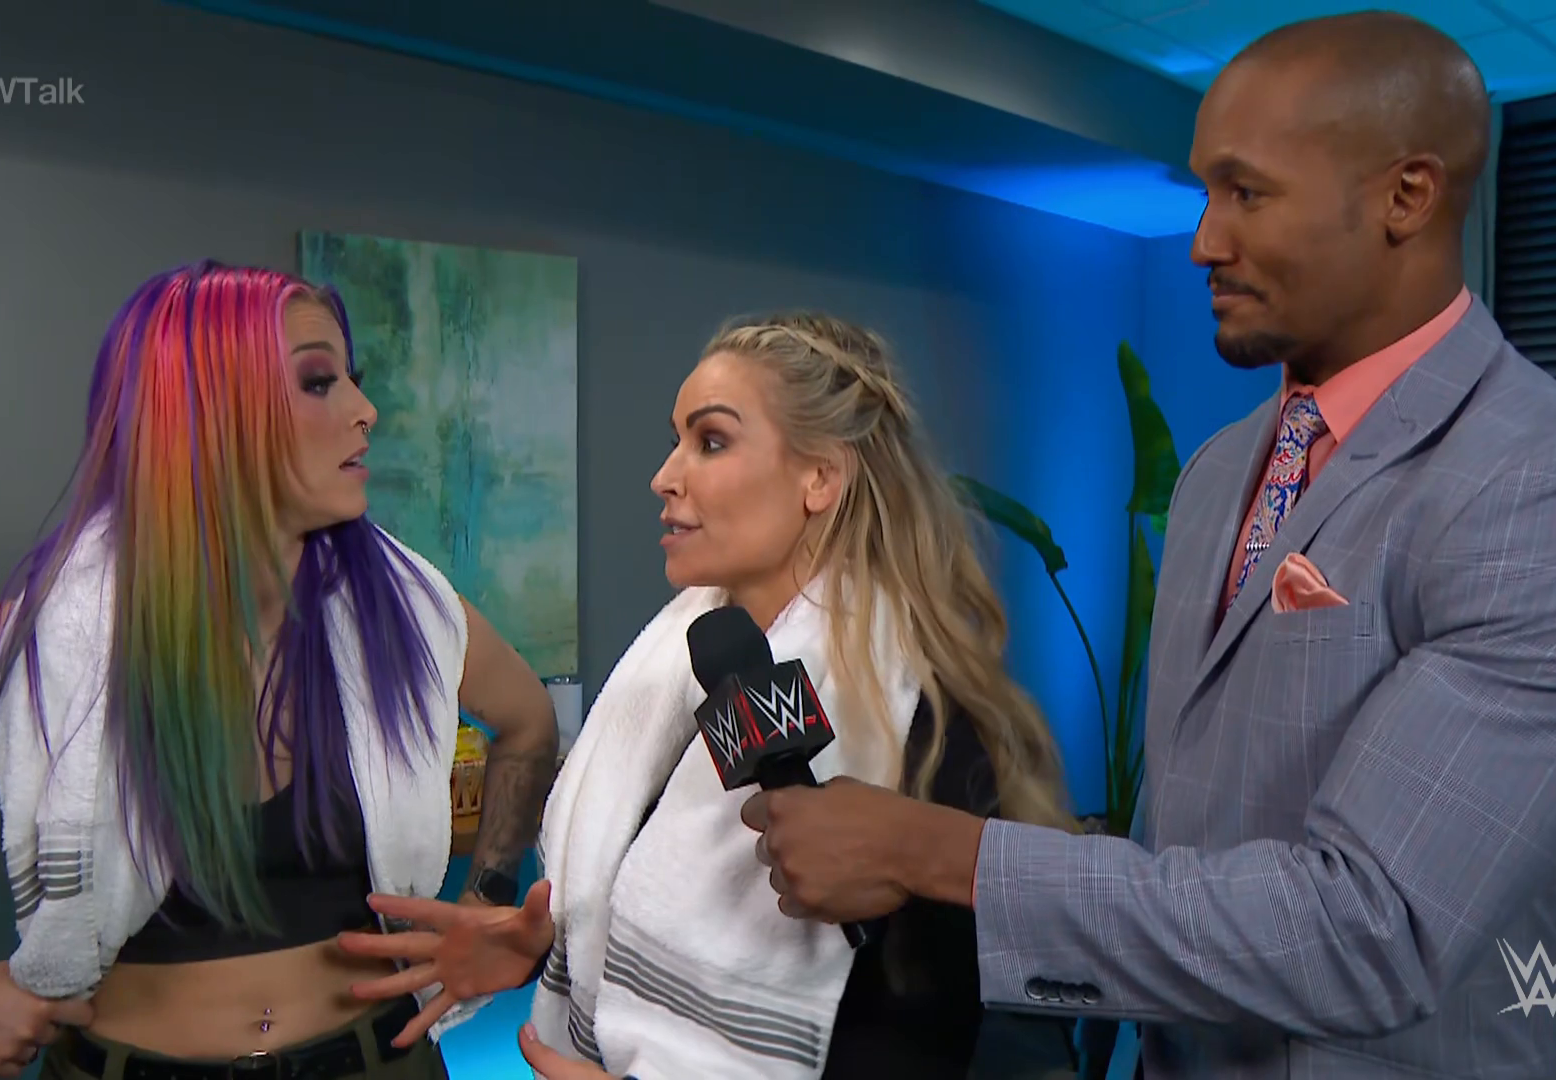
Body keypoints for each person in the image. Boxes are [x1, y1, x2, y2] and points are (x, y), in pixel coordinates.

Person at [732, 13, 1556, 1080]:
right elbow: (1191, 842)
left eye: (1247, 193)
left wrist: (938, 852)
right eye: (1207, 192)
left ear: (1407, 196)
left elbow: (1372, 931)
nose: (1203, 240)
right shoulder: (1217, 473)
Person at [0, 260, 561, 1079]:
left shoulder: (407, 618)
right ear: (202, 413)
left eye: (354, 380)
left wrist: (484, 901)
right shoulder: (38, 643)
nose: (364, 410)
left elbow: (528, 723)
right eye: (318, 382)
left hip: (380, 1061)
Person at [337, 312, 1078, 1079]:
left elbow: (925, 1038)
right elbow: (642, 894)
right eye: (676, 440)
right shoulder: (683, 674)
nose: (665, 476)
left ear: (820, 478)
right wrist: (544, 946)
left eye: (712, 441)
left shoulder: (923, 728)